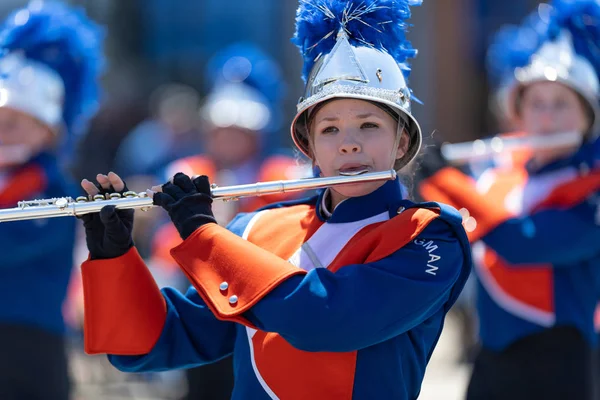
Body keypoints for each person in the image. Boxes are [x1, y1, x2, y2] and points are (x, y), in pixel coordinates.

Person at [78, 0, 472, 398]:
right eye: (330, 130)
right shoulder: (256, 229)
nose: (349, 144)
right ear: (310, 147)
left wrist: (203, 235)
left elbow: (325, 319)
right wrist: (113, 257)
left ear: (402, 141)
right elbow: (149, 345)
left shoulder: (429, 237)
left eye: (369, 125)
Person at [415, 1, 600, 399]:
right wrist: (424, 171)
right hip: (492, 357)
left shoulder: (593, 188)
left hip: (563, 362)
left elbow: (521, 242)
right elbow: (458, 219)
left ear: (589, 117)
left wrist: (446, 177)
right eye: (536, 103)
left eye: (562, 105)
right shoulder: (500, 173)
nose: (547, 118)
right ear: (519, 112)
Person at [0, 1, 105, 399]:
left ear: (48, 132)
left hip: (32, 345)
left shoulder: (55, 191)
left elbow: (10, 246)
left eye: (13, 122)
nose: (2, 130)